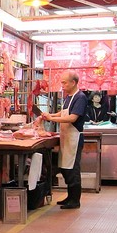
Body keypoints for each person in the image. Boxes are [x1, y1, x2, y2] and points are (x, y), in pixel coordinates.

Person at [36, 71, 88, 209]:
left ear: (73, 82)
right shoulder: (68, 97)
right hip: (66, 138)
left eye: (64, 82)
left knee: (73, 169)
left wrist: (52, 119)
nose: (62, 85)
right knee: (65, 168)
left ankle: (75, 200)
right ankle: (70, 197)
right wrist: (50, 115)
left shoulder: (80, 97)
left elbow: (72, 118)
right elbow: (63, 112)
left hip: (74, 138)